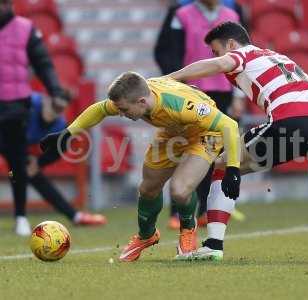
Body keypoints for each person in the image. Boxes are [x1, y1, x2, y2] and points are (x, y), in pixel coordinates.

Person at [168, 21, 308, 260]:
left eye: (216, 50)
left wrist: (175, 76)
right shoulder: (276, 55)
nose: (215, 56)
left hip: (290, 118)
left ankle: (213, 244)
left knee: (224, 163)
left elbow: (222, 63)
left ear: (232, 44)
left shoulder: (241, 53)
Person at [40, 73, 241, 262]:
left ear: (142, 102)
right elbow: (100, 109)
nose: (120, 113)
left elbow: (229, 125)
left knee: (179, 190)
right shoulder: (134, 98)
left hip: (205, 134)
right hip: (172, 131)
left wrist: (233, 169)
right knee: (147, 189)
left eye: (124, 110)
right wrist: (67, 132)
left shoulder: (183, 106)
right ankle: (147, 235)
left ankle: (188, 230)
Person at [154, 0, 245, 228]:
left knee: (214, 152)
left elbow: (244, 57)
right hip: (191, 94)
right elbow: (165, 51)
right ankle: (177, 211)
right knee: (184, 148)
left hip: (223, 92)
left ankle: (207, 209)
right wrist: (174, 87)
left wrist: (239, 96)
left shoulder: (231, 13)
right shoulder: (180, 14)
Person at [0, 0, 65, 235]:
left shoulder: (25, 29)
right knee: (17, 163)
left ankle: (20, 216)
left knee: (17, 163)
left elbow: (43, 64)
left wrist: (56, 91)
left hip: (16, 104)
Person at [26, 92, 107, 226]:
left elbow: (59, 149)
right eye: (54, 105)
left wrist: (38, 163)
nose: (53, 112)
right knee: (21, 168)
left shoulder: (59, 125)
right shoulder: (29, 103)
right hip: (8, 140)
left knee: (26, 173)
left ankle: (75, 216)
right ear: (46, 100)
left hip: (18, 151)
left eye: (59, 109)